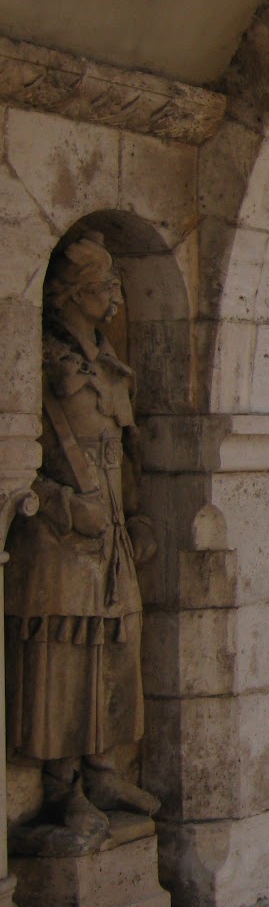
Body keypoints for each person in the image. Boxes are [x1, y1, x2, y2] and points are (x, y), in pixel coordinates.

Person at [4, 231, 160, 854]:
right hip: (57, 543)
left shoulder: (107, 363)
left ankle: (103, 769)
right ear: (73, 292)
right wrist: (66, 510)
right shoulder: (40, 359)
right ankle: (62, 786)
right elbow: (18, 460)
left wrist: (135, 517)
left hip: (111, 533)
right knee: (63, 661)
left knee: (117, 647)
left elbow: (122, 452)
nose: (116, 294)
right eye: (105, 284)